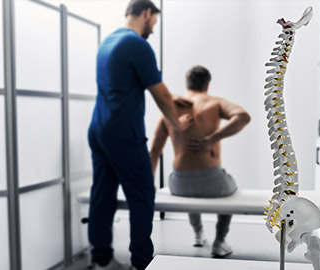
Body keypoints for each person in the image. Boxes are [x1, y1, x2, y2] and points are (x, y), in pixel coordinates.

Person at [87, 1, 193, 270]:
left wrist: (173, 100)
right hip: (124, 132)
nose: (153, 30)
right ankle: (142, 263)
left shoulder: (108, 42)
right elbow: (162, 96)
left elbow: (126, 85)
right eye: (154, 23)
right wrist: (178, 125)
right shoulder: (137, 44)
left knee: (102, 194)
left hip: (99, 129)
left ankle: (101, 261)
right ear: (147, 13)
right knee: (143, 194)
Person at [149, 65, 251, 258]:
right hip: (213, 184)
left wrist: (149, 182)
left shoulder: (170, 109)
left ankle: (197, 233)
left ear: (187, 84)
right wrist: (212, 139)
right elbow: (243, 117)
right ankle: (220, 242)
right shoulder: (214, 102)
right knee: (231, 191)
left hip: (178, 184)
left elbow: (154, 152)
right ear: (207, 84)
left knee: (192, 196)